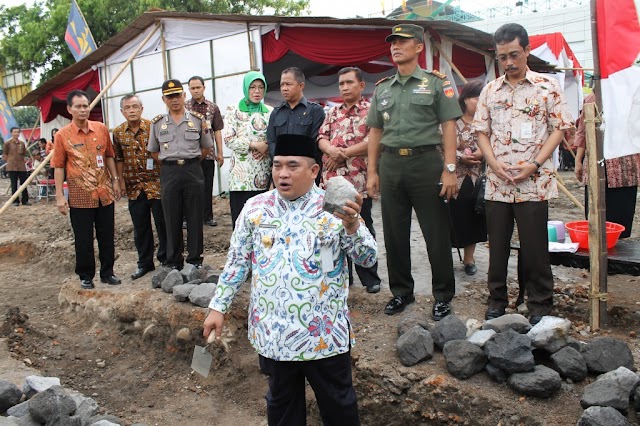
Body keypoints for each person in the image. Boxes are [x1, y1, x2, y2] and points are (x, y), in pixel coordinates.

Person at [203, 133, 377, 426]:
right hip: (274, 335)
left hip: (324, 335)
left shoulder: (335, 208)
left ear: (314, 171)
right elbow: (237, 262)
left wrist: (352, 225)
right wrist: (218, 307)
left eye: (292, 166)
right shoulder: (256, 208)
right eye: (277, 165)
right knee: (283, 408)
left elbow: (368, 259)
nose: (282, 174)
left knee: (339, 407)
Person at [472, 23, 574, 325]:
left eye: (514, 55)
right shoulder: (490, 90)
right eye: (502, 57)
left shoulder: (547, 87)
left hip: (534, 182)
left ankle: (540, 302)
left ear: (527, 50)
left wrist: (536, 163)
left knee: (535, 248)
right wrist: (492, 163)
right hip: (498, 183)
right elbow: (481, 133)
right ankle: (497, 299)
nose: (509, 63)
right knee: (497, 247)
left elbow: (559, 129)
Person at [366, 24, 462, 319]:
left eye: (402, 42)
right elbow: (375, 132)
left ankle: (443, 295)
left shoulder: (435, 84)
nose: (395, 46)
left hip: (426, 164)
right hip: (392, 165)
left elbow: (449, 127)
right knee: (394, 234)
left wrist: (449, 169)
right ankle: (401, 293)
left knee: (435, 233)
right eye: (393, 42)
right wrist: (372, 171)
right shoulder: (383, 88)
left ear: (419, 47)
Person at [318, 66, 381, 294]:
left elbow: (374, 142)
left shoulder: (370, 111)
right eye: (341, 83)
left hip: (358, 182)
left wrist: (341, 154)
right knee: (332, 228)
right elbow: (321, 138)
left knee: (361, 225)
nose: (345, 87)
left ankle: (370, 277)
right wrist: (330, 150)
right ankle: (343, 276)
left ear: (361, 85)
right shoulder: (332, 113)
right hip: (332, 182)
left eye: (349, 83)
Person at [51, 90, 122, 289]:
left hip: (104, 193)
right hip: (80, 195)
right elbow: (58, 166)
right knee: (83, 239)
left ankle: (108, 272)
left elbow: (109, 156)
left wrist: (115, 180)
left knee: (107, 235)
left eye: (85, 106)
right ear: (69, 109)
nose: (83, 110)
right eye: (78, 106)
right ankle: (85, 275)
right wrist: (59, 196)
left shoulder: (100, 129)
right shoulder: (62, 136)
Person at [147, 79, 213, 270]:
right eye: (170, 97)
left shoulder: (197, 120)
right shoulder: (158, 123)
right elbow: (153, 151)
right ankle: (174, 260)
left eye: (178, 95)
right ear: (163, 99)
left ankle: (194, 260)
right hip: (169, 172)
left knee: (194, 217)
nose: (174, 100)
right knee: (171, 217)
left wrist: (189, 163)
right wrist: (171, 162)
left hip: (193, 169)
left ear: (184, 96)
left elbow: (205, 148)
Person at [113, 94, 167, 280]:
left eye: (135, 107)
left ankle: (166, 260)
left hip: (156, 184)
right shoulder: (118, 133)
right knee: (140, 227)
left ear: (142, 108)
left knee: (163, 224)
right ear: (122, 111)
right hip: (134, 186)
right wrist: (119, 181)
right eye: (127, 108)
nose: (132, 110)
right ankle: (144, 263)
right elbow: (118, 158)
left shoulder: (153, 127)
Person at [575, 93, 640, 238]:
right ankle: (596, 253)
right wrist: (578, 161)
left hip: (623, 170)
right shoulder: (591, 99)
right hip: (594, 167)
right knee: (594, 218)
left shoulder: (632, 98)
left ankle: (618, 253)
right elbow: (582, 131)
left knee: (620, 220)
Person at [223, 71, 273, 228]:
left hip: (263, 175)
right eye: (252, 87)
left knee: (262, 221)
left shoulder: (270, 112)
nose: (257, 91)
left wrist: (267, 146)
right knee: (241, 221)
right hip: (241, 178)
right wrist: (254, 145)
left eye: (260, 87)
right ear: (246, 88)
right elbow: (229, 139)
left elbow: (274, 138)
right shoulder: (234, 110)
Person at [448, 81, 487, 276]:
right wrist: (459, 156)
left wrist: (481, 154)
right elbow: (442, 148)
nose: (479, 102)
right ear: (465, 99)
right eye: (476, 97)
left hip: (476, 179)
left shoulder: (485, 123)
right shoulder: (452, 122)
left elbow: (493, 145)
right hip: (453, 177)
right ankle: (446, 257)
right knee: (452, 217)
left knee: (473, 217)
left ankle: (469, 259)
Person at [266, 67, 325, 183]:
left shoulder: (315, 111)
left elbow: (314, 142)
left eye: (288, 84)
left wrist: (294, 163)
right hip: (282, 174)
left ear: (301, 86)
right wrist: (282, 163)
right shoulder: (276, 113)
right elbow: (271, 141)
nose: (284, 88)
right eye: (282, 85)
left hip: (305, 173)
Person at [185, 76, 224, 227]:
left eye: (198, 87)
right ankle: (187, 218)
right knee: (189, 188)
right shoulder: (184, 107)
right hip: (189, 155)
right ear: (189, 90)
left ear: (203, 87)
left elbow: (218, 131)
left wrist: (220, 153)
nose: (195, 90)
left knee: (207, 186)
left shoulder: (213, 107)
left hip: (208, 154)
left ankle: (207, 217)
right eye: (192, 88)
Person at [2, 127, 30, 206]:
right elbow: (5, 154)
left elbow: (24, 153)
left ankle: (25, 200)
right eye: (15, 132)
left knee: (24, 183)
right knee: (14, 184)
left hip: (21, 166)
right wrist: (9, 162)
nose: (16, 133)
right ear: (11, 133)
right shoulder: (8, 143)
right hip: (12, 167)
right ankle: (15, 201)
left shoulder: (22, 143)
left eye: (18, 132)